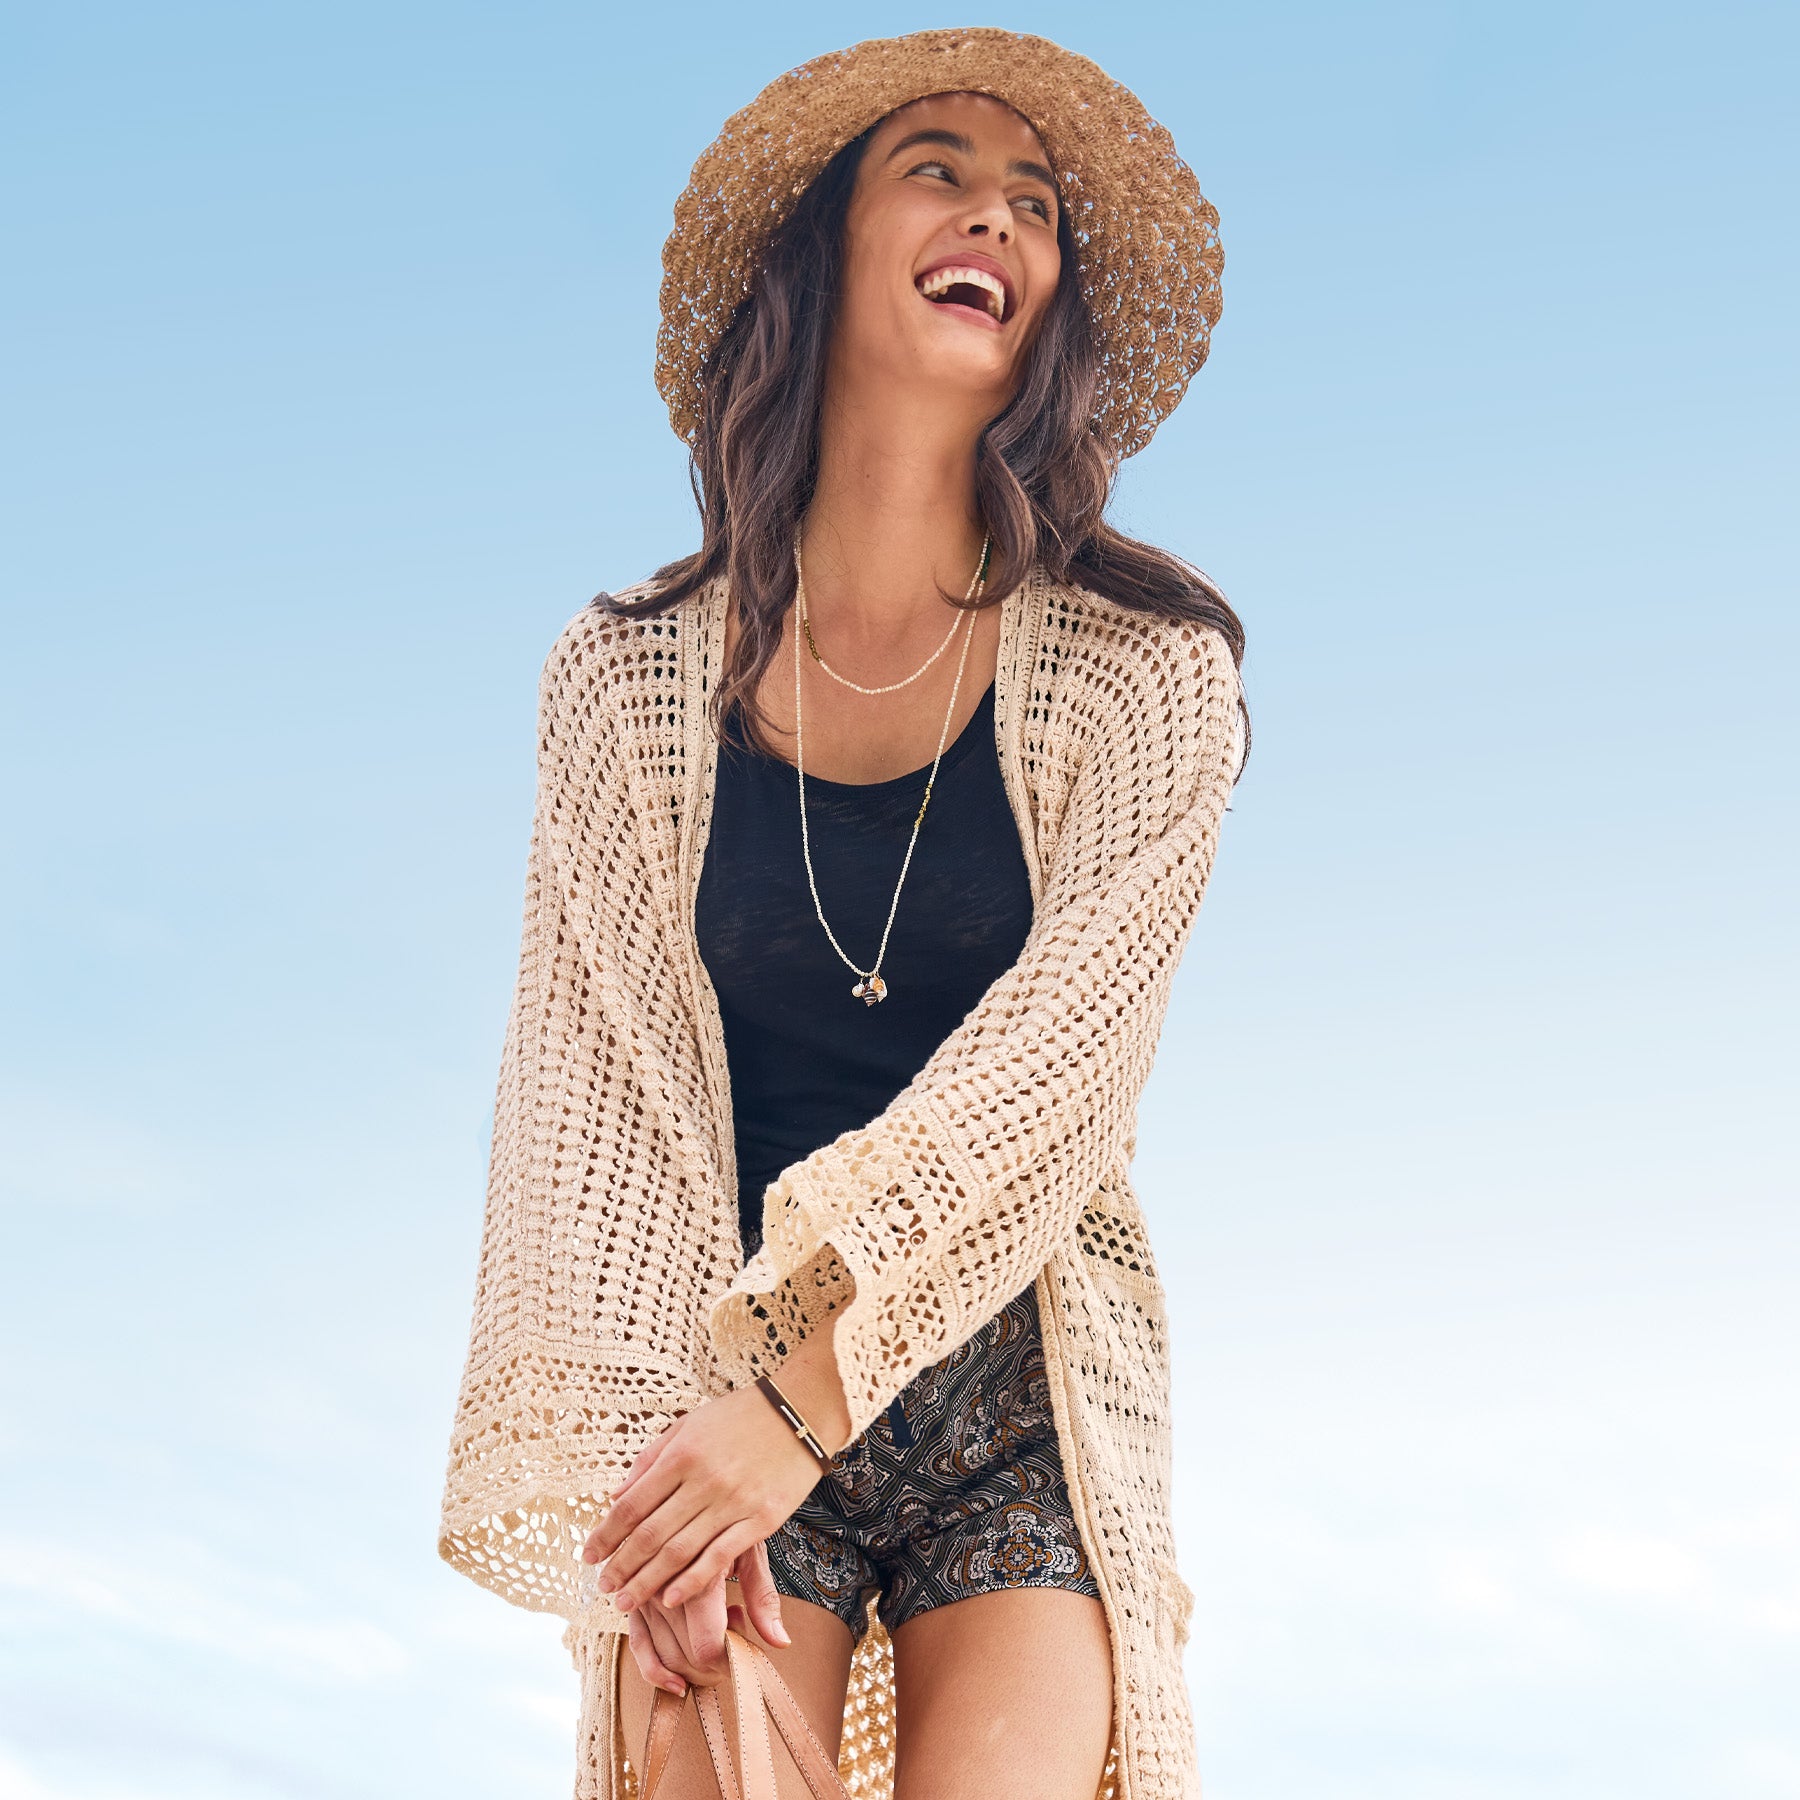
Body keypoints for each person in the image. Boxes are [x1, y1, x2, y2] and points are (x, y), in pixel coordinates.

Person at [438, 27, 1251, 1800]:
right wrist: (663, 1484)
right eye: (938, 171)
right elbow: (584, 1123)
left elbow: (1060, 1085)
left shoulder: (1149, 677)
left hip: (1014, 1384)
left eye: (1035, 203)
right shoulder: (624, 684)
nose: (998, 219)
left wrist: (806, 1406)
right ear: (825, 248)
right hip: (712, 1370)